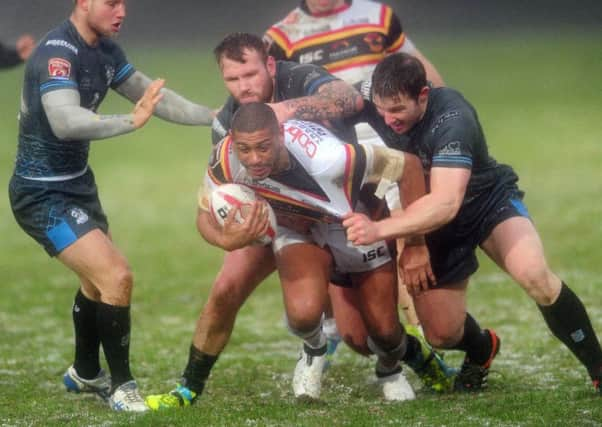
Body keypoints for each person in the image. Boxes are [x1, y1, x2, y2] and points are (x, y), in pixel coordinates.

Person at [144, 32, 453, 409]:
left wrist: (286, 111)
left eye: (251, 75)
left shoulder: (300, 82)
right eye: (233, 79)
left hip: (349, 211)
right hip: (282, 216)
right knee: (228, 289)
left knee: (371, 333)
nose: (244, 87)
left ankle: (394, 360)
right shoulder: (227, 132)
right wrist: (230, 236)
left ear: (270, 66)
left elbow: (350, 99)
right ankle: (190, 388)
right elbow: (209, 206)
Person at [343, 52, 602, 393]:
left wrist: (380, 230)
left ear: (423, 95)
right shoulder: (375, 94)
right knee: (441, 334)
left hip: (484, 203)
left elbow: (446, 202)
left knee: (535, 275)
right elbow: (332, 95)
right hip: (433, 220)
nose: (388, 119)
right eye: (382, 109)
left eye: (398, 110)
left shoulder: (453, 119)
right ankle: (482, 349)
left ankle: (597, 367)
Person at [8, 0, 214, 412]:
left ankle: (85, 371)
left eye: (125, 3)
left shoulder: (105, 50)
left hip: (78, 186)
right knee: (117, 277)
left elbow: (153, 96)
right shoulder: (56, 55)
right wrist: (129, 122)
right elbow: (65, 123)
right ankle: (123, 387)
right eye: (111, 2)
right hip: (41, 195)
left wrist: (215, 115)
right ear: (83, 2)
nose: (121, 11)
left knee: (97, 282)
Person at [264, 0, 445, 331]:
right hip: (331, 156)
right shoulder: (282, 36)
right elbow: (269, 98)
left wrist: (444, 116)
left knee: (404, 231)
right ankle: (341, 324)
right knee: (346, 239)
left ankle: (418, 337)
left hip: (389, 141)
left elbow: (418, 68)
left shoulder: (378, 16)